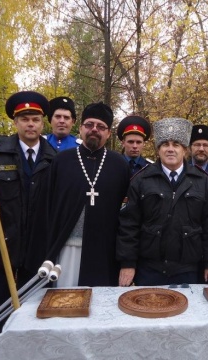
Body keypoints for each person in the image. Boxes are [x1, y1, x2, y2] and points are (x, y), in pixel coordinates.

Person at [0, 91, 56, 360]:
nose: (31, 124)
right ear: (16, 123)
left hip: (39, 253)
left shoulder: (55, 159)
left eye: (36, 119)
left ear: (44, 124)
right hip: (3, 250)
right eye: (25, 119)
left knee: (38, 311)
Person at [117, 118, 208, 286]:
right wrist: (128, 263)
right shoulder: (141, 180)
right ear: (158, 149)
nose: (170, 149)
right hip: (150, 269)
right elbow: (129, 225)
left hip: (188, 270)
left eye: (176, 144)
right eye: (165, 144)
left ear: (185, 150)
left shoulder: (204, 182)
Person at [45, 102, 130, 287]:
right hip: (66, 246)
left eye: (101, 127)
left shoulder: (120, 164)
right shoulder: (62, 160)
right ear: (81, 128)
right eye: (89, 125)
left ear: (108, 133)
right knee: (63, 303)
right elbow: (48, 205)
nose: (94, 130)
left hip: (104, 249)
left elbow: (127, 212)